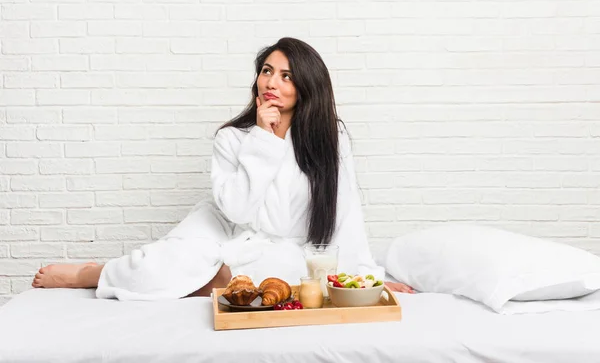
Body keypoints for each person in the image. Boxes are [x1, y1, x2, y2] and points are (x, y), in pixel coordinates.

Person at [32, 37, 414, 299]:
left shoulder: (332, 139)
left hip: (283, 245)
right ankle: (91, 273)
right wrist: (265, 139)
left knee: (248, 280)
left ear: (307, 86)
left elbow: (347, 216)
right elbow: (238, 210)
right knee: (164, 265)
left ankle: (202, 278)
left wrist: (369, 280)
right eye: (267, 71)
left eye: (286, 75)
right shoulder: (234, 137)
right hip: (225, 225)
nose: (272, 82)